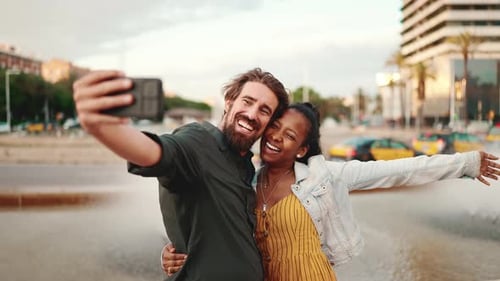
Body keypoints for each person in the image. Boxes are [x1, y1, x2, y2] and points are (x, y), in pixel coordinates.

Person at [162, 102, 500, 280]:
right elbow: (209, 221)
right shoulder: (245, 180)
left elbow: (398, 170)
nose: (277, 136)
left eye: (290, 136)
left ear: (301, 150)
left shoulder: (324, 177)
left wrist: (466, 164)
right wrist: (176, 251)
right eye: (275, 127)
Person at [72, 68, 290, 281]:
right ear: (229, 102)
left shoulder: (246, 166)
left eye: (264, 110)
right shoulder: (197, 142)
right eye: (247, 101)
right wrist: (102, 127)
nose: (252, 114)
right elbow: (155, 152)